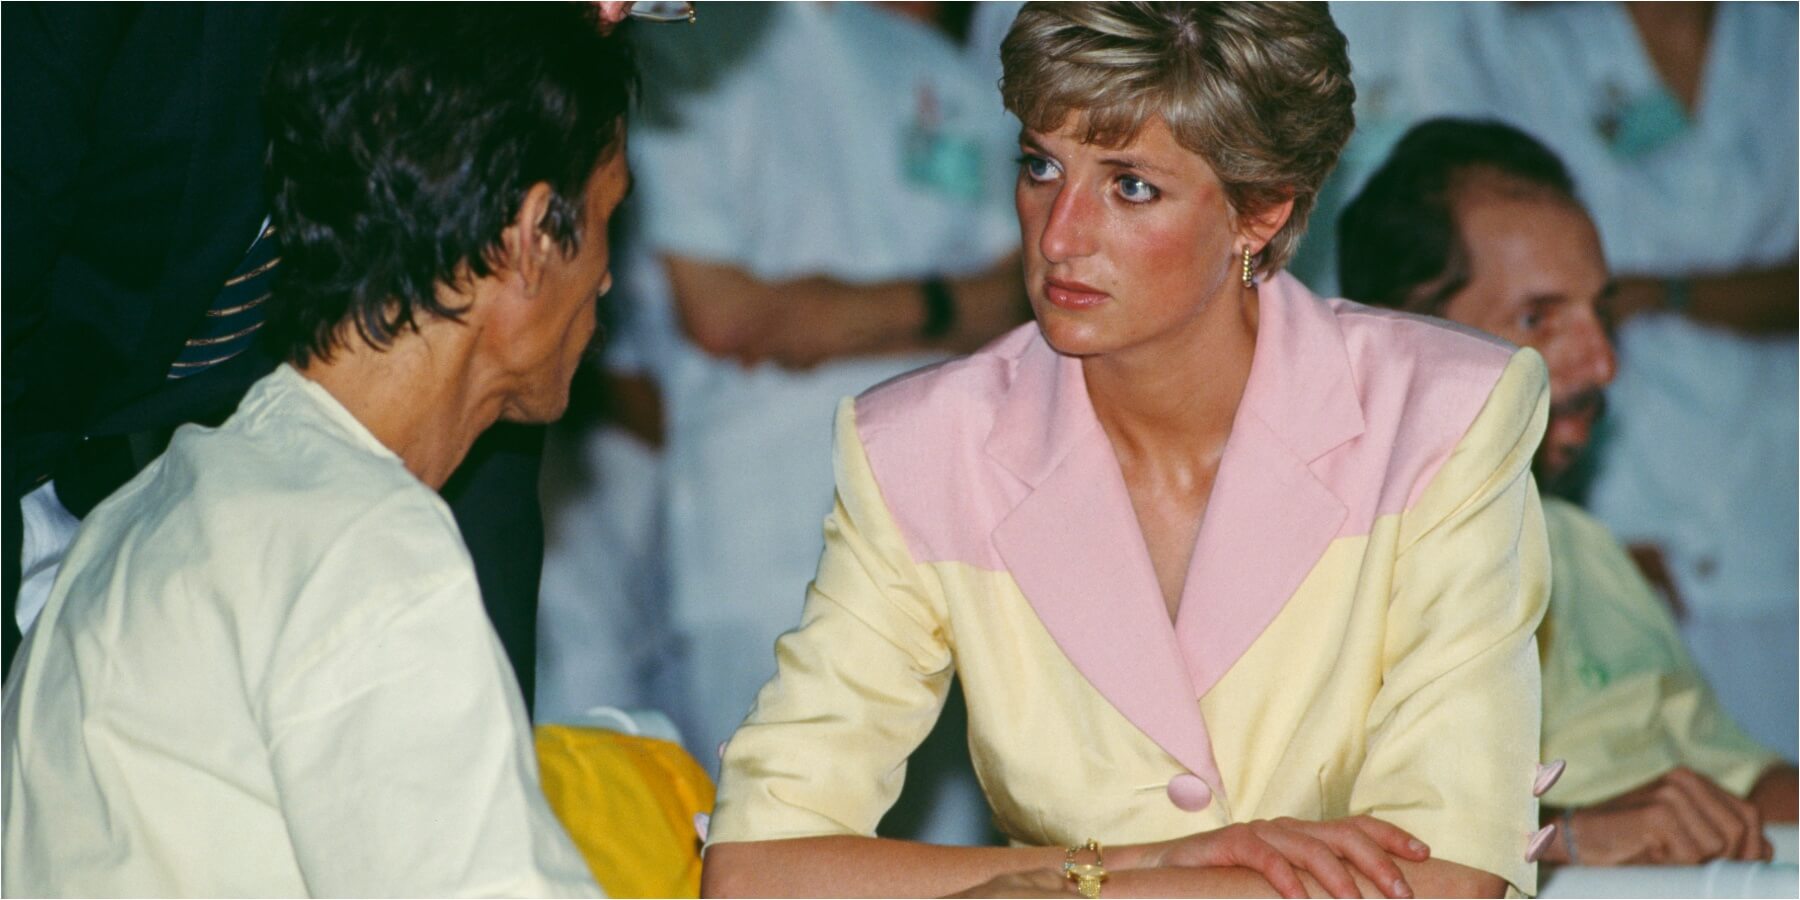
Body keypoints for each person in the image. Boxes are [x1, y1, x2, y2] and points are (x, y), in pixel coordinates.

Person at [702, 4, 1553, 897]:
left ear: (1260, 210)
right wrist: (1119, 866)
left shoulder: (1444, 414)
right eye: (1041, 167)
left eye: (1130, 186)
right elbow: (757, 869)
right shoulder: (922, 446)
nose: (1059, 234)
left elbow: (1445, 879)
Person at [2, 6, 632, 894]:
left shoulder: (144, 524)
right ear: (529, 239)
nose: (608, 275)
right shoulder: (370, 567)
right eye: (609, 218)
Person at [1, 3, 550, 711]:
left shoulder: (515, 46)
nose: (609, 12)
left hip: (197, 542)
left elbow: (479, 382)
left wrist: (478, 737)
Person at [1337, 116, 1797, 867]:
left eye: (1602, 312)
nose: (1603, 364)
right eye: (1538, 319)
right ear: (1405, 337)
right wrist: (1562, 837)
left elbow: (1747, 782)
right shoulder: (1336, 563)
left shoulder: (1580, 547)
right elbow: (1329, 838)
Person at [622, 1, 1029, 843]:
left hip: (948, 549)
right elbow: (729, 314)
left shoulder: (946, 78)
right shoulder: (685, 51)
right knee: (769, 847)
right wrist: (944, 301)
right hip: (763, 554)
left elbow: (1023, 293)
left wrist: (822, 314)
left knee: (951, 863)